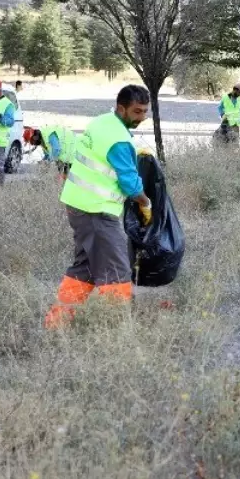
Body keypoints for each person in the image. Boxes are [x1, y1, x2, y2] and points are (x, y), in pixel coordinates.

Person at [45, 85, 154, 329]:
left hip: (78, 205)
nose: (142, 118)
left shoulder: (102, 122)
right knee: (117, 270)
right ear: (121, 108)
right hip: (97, 211)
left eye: (145, 112)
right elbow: (130, 185)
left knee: (84, 268)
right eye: (137, 112)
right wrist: (146, 203)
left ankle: (57, 323)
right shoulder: (119, 140)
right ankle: (115, 329)